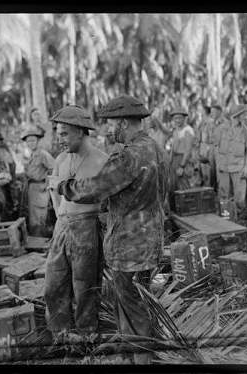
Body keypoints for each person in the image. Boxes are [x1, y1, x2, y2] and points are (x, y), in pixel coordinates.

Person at [51, 96, 169, 364]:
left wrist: (62, 186)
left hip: (129, 246)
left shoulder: (128, 155)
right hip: (149, 241)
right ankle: (132, 357)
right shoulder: (156, 149)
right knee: (136, 305)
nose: (106, 130)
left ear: (124, 123)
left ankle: (141, 361)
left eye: (110, 124)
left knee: (133, 309)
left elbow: (95, 188)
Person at [43, 105, 108, 342]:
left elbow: (108, 203)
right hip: (63, 227)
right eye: (58, 133)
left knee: (85, 286)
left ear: (80, 132)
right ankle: (60, 335)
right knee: (54, 284)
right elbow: (55, 193)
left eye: (64, 133)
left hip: (87, 228)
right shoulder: (61, 159)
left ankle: (86, 335)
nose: (59, 139)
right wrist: (62, 220)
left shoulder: (101, 161)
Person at [214, 104, 247, 216]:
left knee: (240, 198)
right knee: (224, 195)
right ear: (237, 115)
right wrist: (218, 165)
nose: (246, 117)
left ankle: (237, 218)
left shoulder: (245, 131)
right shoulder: (221, 129)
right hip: (224, 167)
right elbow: (216, 148)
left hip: (238, 168)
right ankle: (226, 218)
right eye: (244, 114)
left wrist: (246, 168)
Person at [20, 125, 55, 236]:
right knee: (32, 217)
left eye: (33, 140)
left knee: (39, 217)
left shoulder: (43, 154)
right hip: (31, 188)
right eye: (28, 141)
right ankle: (36, 242)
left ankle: (40, 243)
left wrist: (47, 184)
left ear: (38, 141)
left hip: (40, 188)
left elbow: (54, 168)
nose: (31, 143)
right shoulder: (31, 155)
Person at [168, 107, 195, 192]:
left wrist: (182, 166)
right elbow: (173, 148)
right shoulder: (176, 130)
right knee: (174, 186)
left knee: (183, 186)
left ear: (184, 118)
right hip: (175, 160)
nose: (177, 120)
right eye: (175, 118)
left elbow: (188, 150)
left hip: (183, 160)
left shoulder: (187, 130)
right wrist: (169, 162)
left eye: (179, 118)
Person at [198, 102, 224, 188]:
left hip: (216, 151)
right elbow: (203, 140)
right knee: (209, 174)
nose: (211, 114)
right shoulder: (206, 123)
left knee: (216, 173)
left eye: (213, 112)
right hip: (208, 151)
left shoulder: (218, 123)